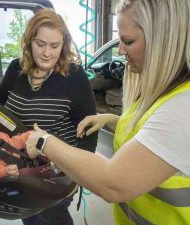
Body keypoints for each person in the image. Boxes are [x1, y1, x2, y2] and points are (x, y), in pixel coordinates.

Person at [25, 0, 190, 224]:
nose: (120, 51)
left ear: (164, 42)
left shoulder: (183, 106)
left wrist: (45, 141)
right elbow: (154, 132)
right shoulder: (162, 92)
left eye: (128, 41)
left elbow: (113, 183)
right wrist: (112, 119)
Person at [0, 8, 98, 225]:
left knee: (53, 217)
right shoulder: (16, 69)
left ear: (63, 45)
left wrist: (82, 173)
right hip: (22, 167)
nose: (47, 53)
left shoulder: (74, 75)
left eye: (54, 46)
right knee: (29, 216)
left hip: (59, 170)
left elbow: (89, 127)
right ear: (29, 41)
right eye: (40, 44)